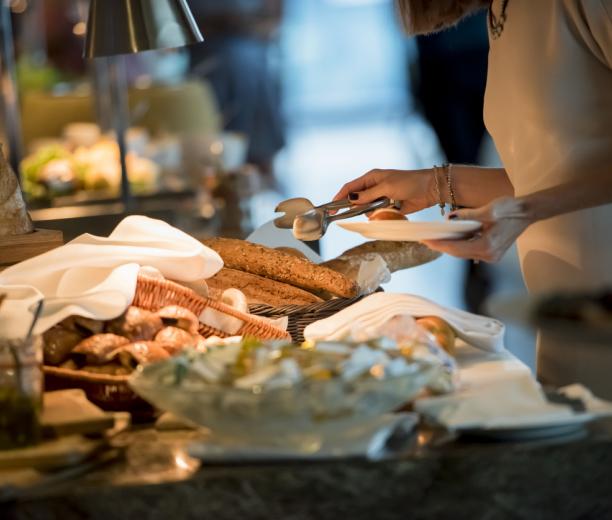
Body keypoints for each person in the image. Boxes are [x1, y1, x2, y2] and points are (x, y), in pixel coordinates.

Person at [333, 0, 612, 393]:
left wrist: (525, 211)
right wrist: (436, 184)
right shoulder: (503, 9)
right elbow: (556, 174)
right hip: (566, 325)